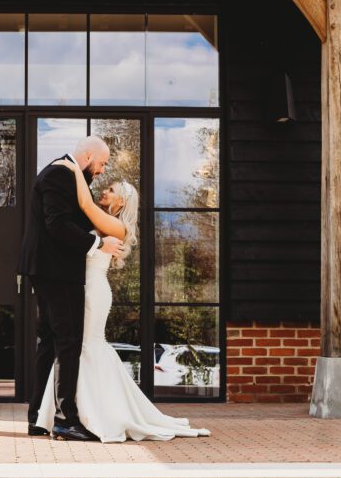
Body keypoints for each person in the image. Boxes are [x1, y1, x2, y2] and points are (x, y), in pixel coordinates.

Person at [35, 157, 211, 443]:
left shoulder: (116, 226)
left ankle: (91, 413)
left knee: (85, 346)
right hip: (83, 287)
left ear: (120, 203)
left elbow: (86, 205)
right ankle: (73, 411)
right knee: (78, 347)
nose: (105, 191)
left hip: (93, 291)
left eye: (112, 190)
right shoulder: (101, 221)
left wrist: (72, 168)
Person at [17, 135, 125, 442]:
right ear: (89, 156)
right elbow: (56, 225)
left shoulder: (68, 175)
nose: (103, 170)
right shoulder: (60, 174)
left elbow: (72, 217)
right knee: (68, 341)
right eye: (102, 163)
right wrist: (98, 243)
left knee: (50, 342)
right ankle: (65, 420)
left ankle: (38, 418)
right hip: (57, 270)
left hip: (50, 269)